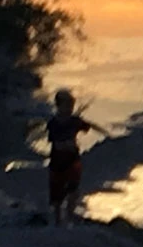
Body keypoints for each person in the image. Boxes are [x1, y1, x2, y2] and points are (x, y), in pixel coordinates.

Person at [45, 89, 105, 225]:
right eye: (67, 105)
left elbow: (86, 127)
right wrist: (66, 141)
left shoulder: (74, 121)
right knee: (57, 192)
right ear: (58, 106)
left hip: (72, 160)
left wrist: (84, 125)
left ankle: (69, 215)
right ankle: (58, 220)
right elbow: (55, 141)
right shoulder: (53, 124)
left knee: (73, 189)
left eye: (71, 106)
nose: (70, 109)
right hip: (57, 161)